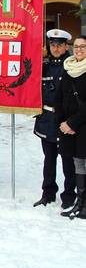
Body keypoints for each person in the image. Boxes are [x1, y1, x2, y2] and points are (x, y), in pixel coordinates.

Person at [34, 29, 76, 208]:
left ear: (66, 46)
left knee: (68, 161)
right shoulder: (43, 66)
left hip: (66, 121)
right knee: (48, 160)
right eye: (53, 45)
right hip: (47, 119)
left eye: (59, 45)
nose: (56, 48)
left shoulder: (73, 66)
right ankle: (48, 193)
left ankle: (69, 196)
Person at [56, 34, 86, 219]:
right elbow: (59, 98)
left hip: (83, 125)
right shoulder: (67, 68)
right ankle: (80, 202)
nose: (79, 50)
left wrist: (72, 123)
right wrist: (63, 123)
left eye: (83, 46)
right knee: (76, 163)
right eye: (76, 46)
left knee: (84, 162)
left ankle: (84, 204)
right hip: (67, 126)